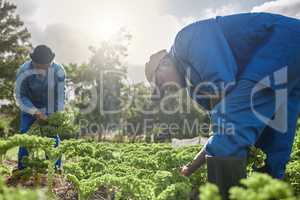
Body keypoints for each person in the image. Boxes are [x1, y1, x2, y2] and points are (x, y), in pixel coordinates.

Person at [145, 12, 300, 199]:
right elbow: (219, 133)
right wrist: (190, 167)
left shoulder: (184, 40)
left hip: (283, 40)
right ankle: (269, 192)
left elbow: (223, 89)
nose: (166, 91)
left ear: (163, 64)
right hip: (290, 61)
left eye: (161, 84)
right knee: (273, 142)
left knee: (232, 132)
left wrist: (222, 133)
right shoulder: (194, 88)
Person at [15, 45, 66, 170]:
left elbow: (60, 96)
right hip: (29, 106)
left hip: (50, 106)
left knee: (52, 136)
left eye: (47, 66)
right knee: (25, 134)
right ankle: (22, 169)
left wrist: (55, 115)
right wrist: (35, 112)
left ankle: (55, 169)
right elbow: (21, 96)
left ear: (50, 62)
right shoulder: (23, 71)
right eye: (40, 67)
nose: (44, 69)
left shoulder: (59, 71)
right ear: (34, 62)